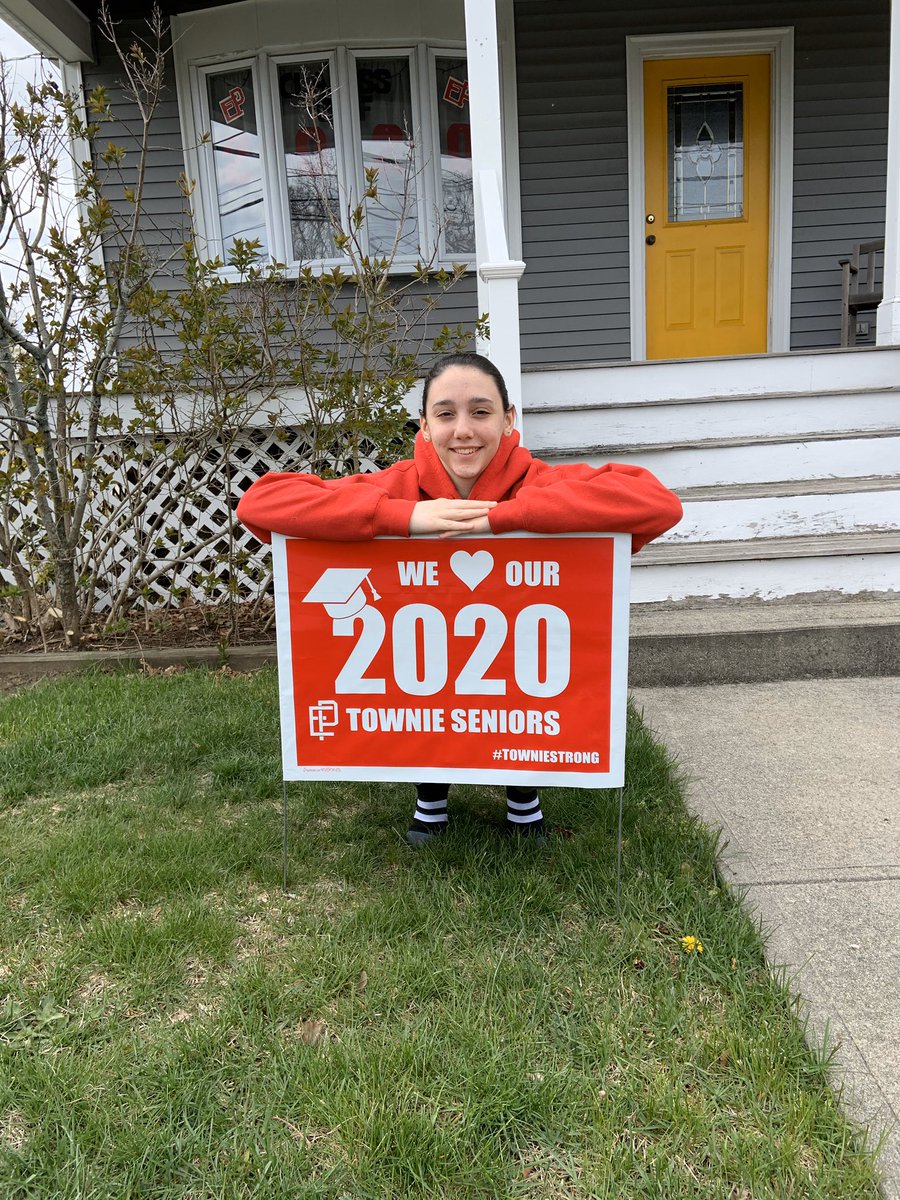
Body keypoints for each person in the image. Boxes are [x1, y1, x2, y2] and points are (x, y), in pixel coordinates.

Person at [237, 351, 683, 846]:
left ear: (509, 420)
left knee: (517, 687)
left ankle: (524, 798)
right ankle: (430, 798)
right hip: (421, 653)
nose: (463, 429)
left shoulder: (539, 482)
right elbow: (261, 502)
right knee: (430, 689)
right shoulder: (398, 485)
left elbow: (657, 503)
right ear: (425, 426)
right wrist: (402, 519)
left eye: (481, 411)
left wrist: (506, 517)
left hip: (520, 652)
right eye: (446, 414)